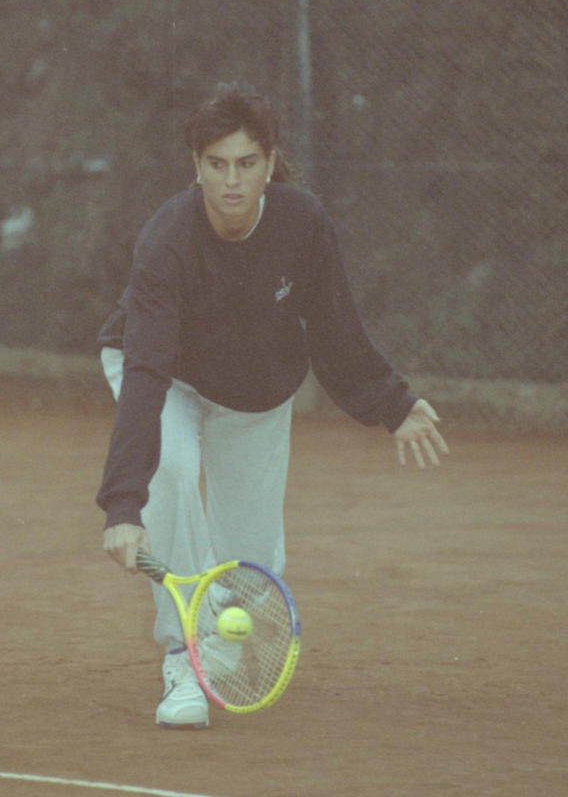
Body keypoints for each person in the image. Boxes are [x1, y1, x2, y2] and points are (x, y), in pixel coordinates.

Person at [96, 84, 448, 729]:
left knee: (250, 564)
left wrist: (392, 402)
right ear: (195, 167)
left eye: (247, 163)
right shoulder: (167, 241)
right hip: (166, 375)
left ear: (269, 162)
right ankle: (182, 656)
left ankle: (220, 632)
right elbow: (145, 373)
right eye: (218, 164)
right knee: (168, 473)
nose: (233, 181)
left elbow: (337, 327)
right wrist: (123, 503)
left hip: (255, 390)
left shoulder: (302, 223)